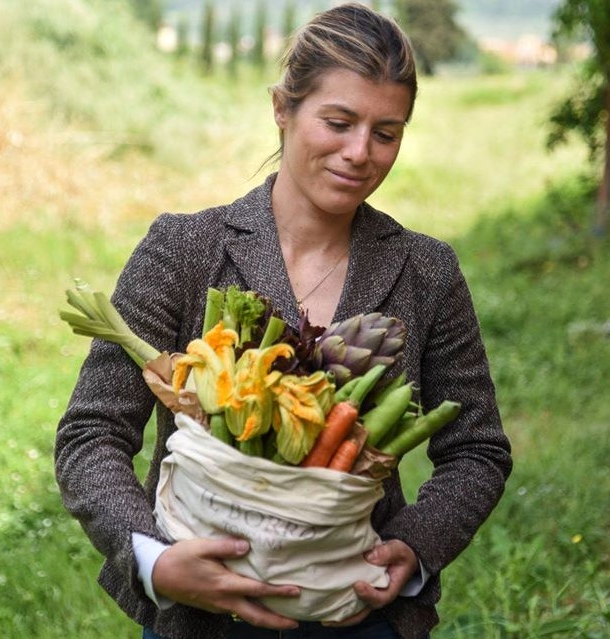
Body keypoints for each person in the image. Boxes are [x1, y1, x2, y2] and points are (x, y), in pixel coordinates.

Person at [55, 3, 512, 639]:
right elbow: (91, 434)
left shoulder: (426, 270)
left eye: (387, 132)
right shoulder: (183, 250)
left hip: (359, 612)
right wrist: (157, 559)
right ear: (282, 108)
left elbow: (477, 448)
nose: (360, 153)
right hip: (200, 617)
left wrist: (412, 547)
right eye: (339, 121)